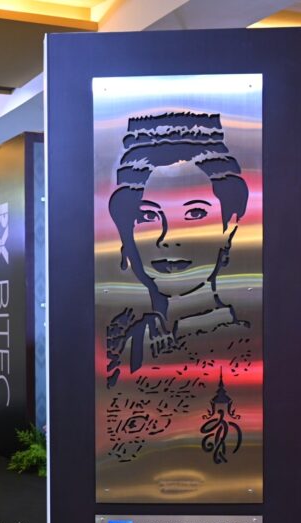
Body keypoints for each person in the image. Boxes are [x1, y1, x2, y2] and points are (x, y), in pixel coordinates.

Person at [102, 111, 253, 465]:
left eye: (195, 213)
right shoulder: (131, 340)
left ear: (229, 224)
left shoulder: (241, 349)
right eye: (148, 216)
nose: (167, 238)